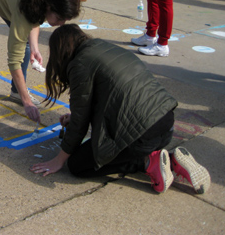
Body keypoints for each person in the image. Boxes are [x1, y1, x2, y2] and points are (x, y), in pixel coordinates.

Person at [30, 24, 211, 195]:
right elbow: (115, 96)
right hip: (166, 124)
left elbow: (80, 125)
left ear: (60, 50)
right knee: (125, 143)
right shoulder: (103, 47)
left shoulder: (79, 64)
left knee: (78, 164)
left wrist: (59, 160)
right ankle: (171, 160)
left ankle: (148, 162)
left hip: (143, 135)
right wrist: (77, 115)